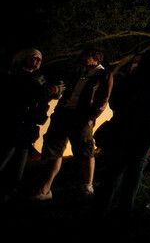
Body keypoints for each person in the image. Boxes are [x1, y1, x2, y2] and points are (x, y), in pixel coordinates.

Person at [92, 49, 150, 222]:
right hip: (149, 124)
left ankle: (101, 209)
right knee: (136, 166)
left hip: (125, 123)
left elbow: (114, 103)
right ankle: (124, 210)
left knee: (116, 166)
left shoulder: (130, 78)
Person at [35, 48, 113, 200]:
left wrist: (91, 117)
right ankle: (45, 189)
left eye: (87, 56)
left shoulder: (104, 75)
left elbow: (104, 98)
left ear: (96, 58)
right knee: (55, 148)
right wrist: (59, 109)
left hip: (82, 117)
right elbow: (69, 91)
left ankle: (87, 185)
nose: (84, 58)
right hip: (64, 114)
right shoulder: (79, 72)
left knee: (85, 149)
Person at [1, 49, 62, 205]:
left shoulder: (39, 79)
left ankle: (8, 196)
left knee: (17, 169)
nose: (38, 61)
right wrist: (52, 90)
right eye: (34, 58)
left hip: (27, 129)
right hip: (13, 126)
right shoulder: (15, 76)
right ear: (24, 59)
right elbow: (30, 94)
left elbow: (40, 98)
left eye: (40, 59)